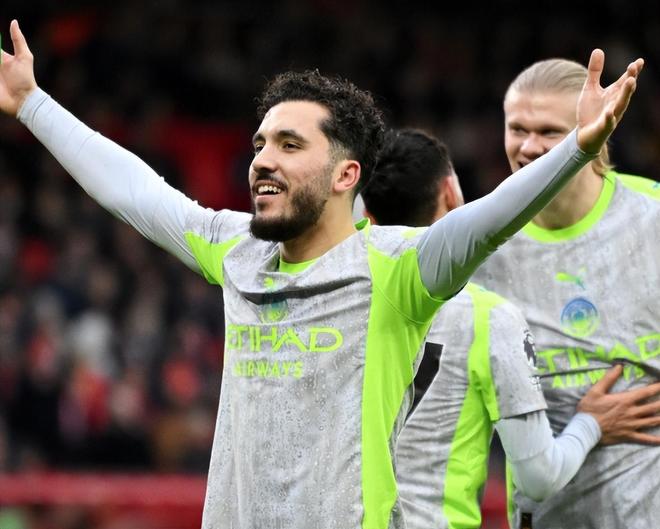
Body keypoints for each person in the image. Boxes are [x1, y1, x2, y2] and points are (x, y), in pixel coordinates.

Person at [0, 19, 645, 529]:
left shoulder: (399, 271)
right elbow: (134, 191)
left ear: (345, 175)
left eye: (290, 145)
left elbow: (492, 218)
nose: (263, 160)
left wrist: (578, 147)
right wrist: (32, 103)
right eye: (259, 144)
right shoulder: (237, 251)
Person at [361, 129, 660, 529]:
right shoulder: (486, 315)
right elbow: (539, 478)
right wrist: (591, 423)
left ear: (367, 215)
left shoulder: (340, 298)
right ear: (451, 194)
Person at [472, 57, 660, 529]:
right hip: (548, 514)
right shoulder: (479, 243)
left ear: (595, 129)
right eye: (517, 129)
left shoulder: (651, 215)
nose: (528, 147)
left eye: (549, 132)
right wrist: (591, 424)